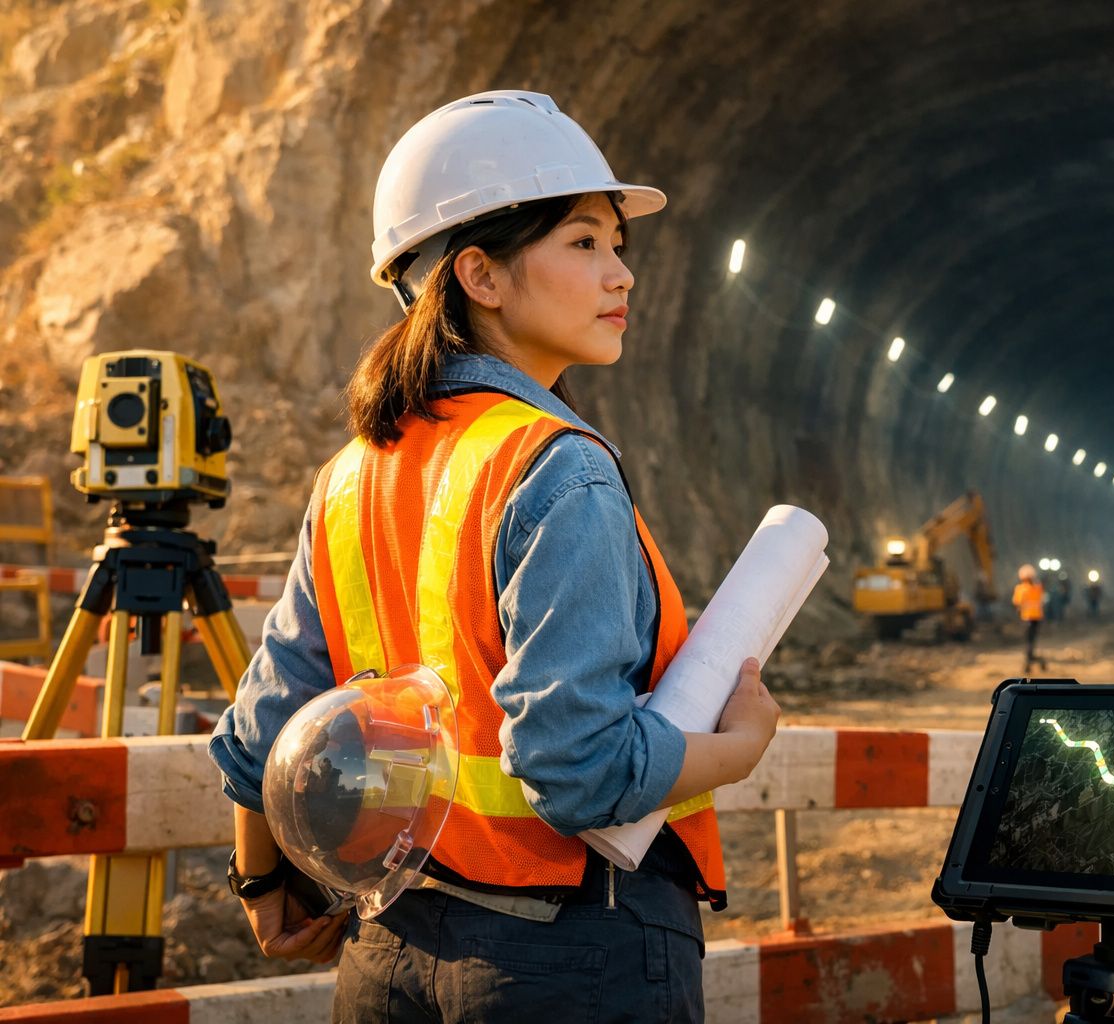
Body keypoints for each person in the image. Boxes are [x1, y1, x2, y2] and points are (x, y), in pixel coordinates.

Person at [207, 90, 781, 1023]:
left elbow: (264, 727)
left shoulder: (353, 474)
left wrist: (260, 884)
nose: (621, 276)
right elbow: (577, 768)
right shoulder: (558, 472)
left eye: (617, 248)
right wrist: (734, 750)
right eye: (585, 242)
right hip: (568, 961)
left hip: (389, 955)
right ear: (481, 274)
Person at [1012, 564, 1046, 673]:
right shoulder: (1038, 587)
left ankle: (1029, 661)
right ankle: (1032, 660)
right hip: (1036, 618)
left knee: (1028, 641)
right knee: (1031, 640)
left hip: (1027, 619)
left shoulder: (1020, 588)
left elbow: (1016, 603)